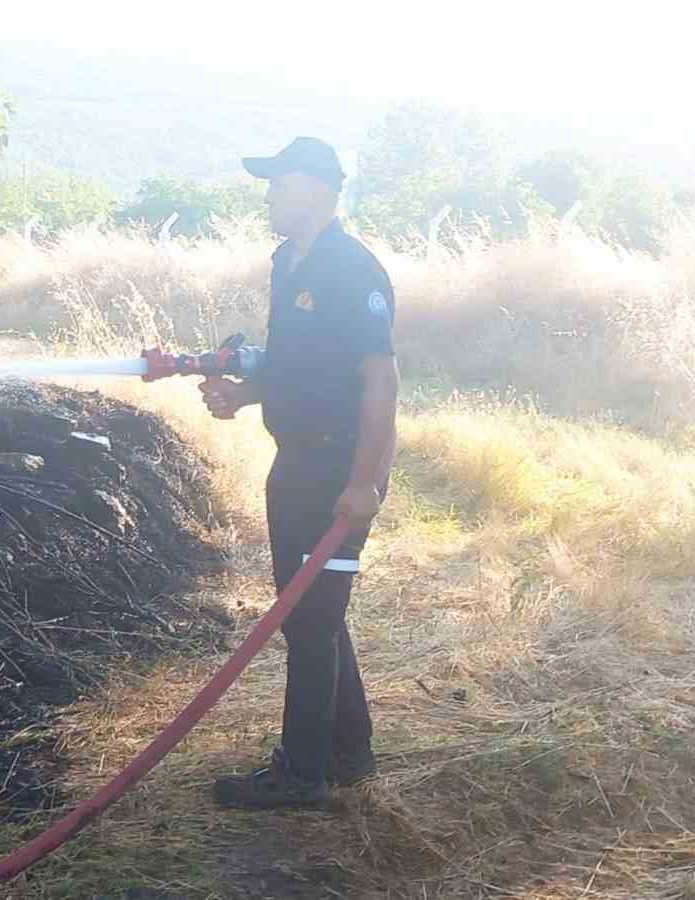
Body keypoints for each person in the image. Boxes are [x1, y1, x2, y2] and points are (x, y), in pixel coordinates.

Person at [202, 136, 398, 810]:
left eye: (277, 182)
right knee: (315, 610)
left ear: (316, 188)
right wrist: (244, 393)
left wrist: (364, 483)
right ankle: (349, 751)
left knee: (308, 617)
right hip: (297, 460)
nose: (268, 195)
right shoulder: (289, 263)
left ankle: (302, 773)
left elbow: (380, 381)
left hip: (337, 467)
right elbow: (296, 366)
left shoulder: (354, 271)